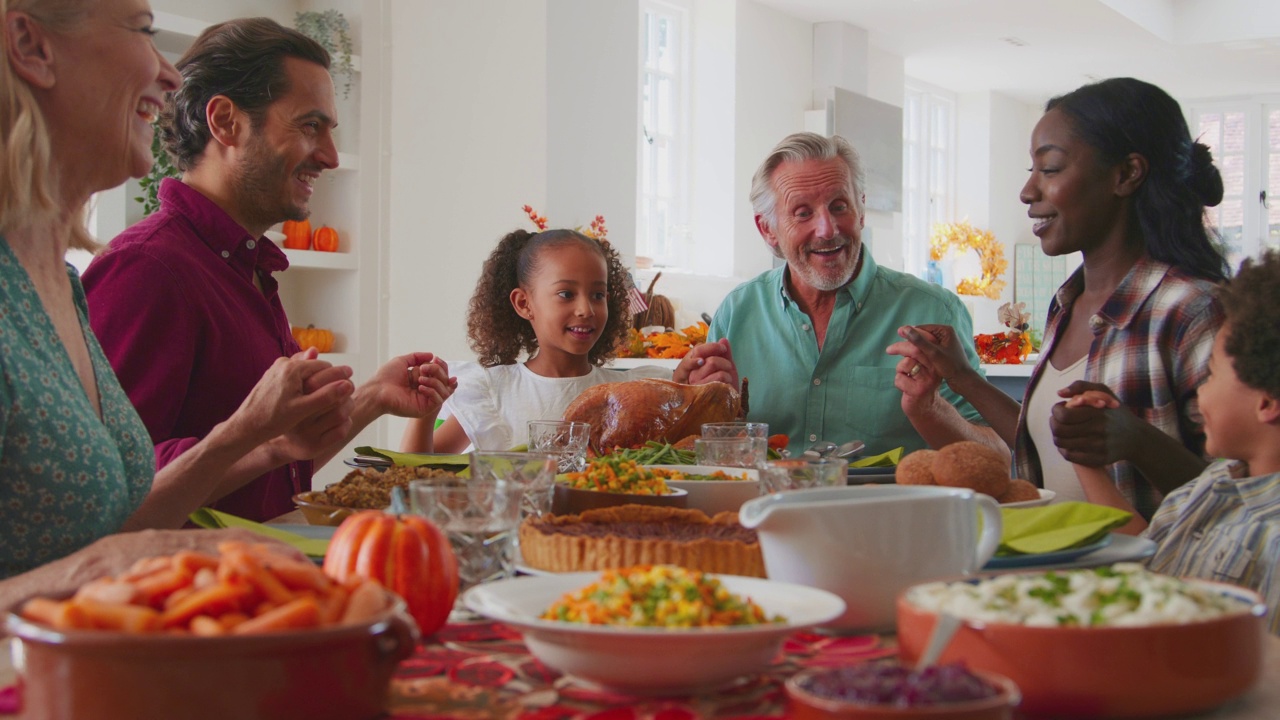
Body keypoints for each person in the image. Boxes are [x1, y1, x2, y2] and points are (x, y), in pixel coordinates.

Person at [0, 0, 346, 600]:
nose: (168, 74)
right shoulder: (146, 265)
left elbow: (115, 523)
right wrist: (100, 567)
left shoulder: (58, 286)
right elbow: (99, 552)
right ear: (31, 47)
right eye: (142, 31)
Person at [81, 17, 456, 522]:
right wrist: (267, 441)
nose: (327, 155)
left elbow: (272, 466)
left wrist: (370, 400)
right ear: (226, 122)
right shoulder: (146, 269)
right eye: (309, 125)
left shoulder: (248, 266)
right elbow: (112, 497)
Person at [891, 77, 1228, 520]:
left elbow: (1246, 495)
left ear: (1126, 174)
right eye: (1031, 171)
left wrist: (1137, 441)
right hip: (1059, 578)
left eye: (1049, 169)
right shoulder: (1068, 303)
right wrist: (962, 377)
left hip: (1151, 584)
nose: (1028, 192)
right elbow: (1050, 445)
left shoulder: (1193, 310)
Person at [708, 132, 1004, 459]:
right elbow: (702, 458)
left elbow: (997, 460)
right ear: (768, 229)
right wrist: (694, 405)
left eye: (839, 206)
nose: (828, 229)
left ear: (861, 210)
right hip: (764, 508)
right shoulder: (736, 313)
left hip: (890, 509)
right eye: (803, 213)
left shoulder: (934, 312)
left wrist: (930, 409)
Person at [400, 228, 738, 453]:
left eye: (598, 294)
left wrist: (686, 395)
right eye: (565, 294)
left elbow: (686, 456)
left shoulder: (635, 388)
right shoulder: (493, 391)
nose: (585, 309)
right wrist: (424, 414)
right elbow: (415, 471)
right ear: (523, 303)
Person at [1140, 250, 1280, 634]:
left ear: (1266, 402)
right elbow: (1135, 571)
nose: (1200, 394)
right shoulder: (1205, 486)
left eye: (1211, 375)